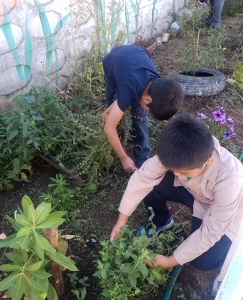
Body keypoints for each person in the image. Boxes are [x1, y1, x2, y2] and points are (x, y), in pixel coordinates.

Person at [110, 113, 243, 270]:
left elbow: (211, 232)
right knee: (152, 182)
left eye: (184, 173)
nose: (177, 175)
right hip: (195, 193)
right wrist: (122, 220)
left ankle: (231, 251)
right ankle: (161, 220)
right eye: (175, 171)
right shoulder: (176, 150)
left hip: (227, 213)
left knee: (203, 261)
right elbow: (142, 178)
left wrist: (170, 260)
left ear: (208, 162)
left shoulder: (229, 180)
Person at [102, 44, 183, 173]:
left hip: (138, 54)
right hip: (113, 62)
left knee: (139, 117)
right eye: (149, 109)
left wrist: (109, 114)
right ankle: (119, 145)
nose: (147, 111)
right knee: (114, 106)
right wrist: (123, 158)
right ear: (148, 100)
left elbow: (107, 113)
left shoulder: (157, 85)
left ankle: (142, 160)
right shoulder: (129, 90)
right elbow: (109, 127)